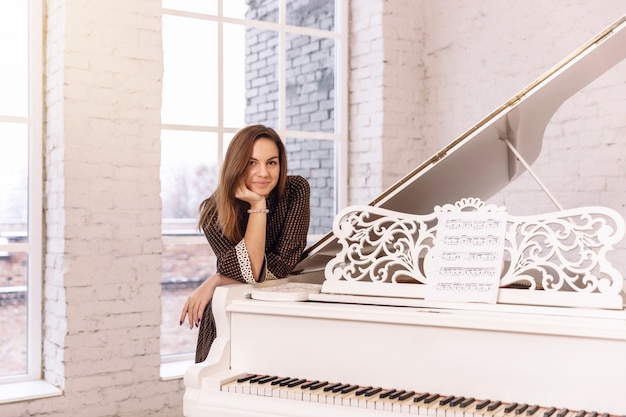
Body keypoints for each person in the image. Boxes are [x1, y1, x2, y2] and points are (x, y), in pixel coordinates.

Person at [179, 124, 311, 363]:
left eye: (271, 162)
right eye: (252, 162)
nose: (263, 173)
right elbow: (251, 271)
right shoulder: (213, 212)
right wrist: (258, 207)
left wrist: (217, 278)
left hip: (281, 316)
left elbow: (280, 267)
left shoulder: (295, 190)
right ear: (237, 164)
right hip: (228, 320)